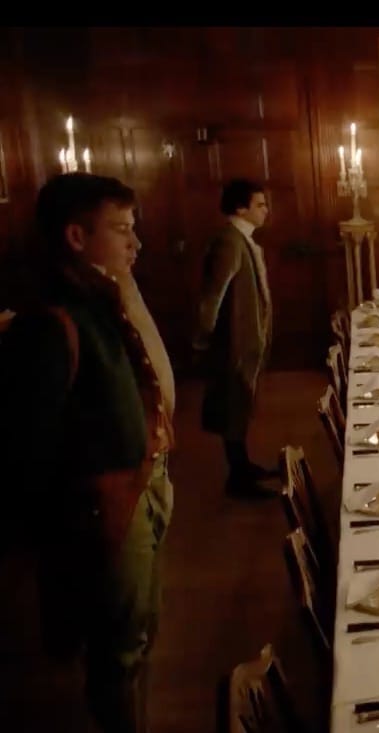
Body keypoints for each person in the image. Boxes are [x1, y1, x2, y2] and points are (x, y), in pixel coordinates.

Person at [0, 173, 174, 733]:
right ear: (76, 237)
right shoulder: (49, 324)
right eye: (121, 230)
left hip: (140, 486)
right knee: (118, 645)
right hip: (105, 509)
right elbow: (28, 449)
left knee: (139, 628)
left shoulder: (102, 299)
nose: (135, 242)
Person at [194, 178, 277, 496]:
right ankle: (238, 479)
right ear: (241, 208)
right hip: (233, 343)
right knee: (232, 408)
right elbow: (212, 296)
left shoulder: (242, 238)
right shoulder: (229, 241)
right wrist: (203, 339)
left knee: (240, 406)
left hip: (245, 341)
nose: (266, 210)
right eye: (260, 205)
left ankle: (243, 466)